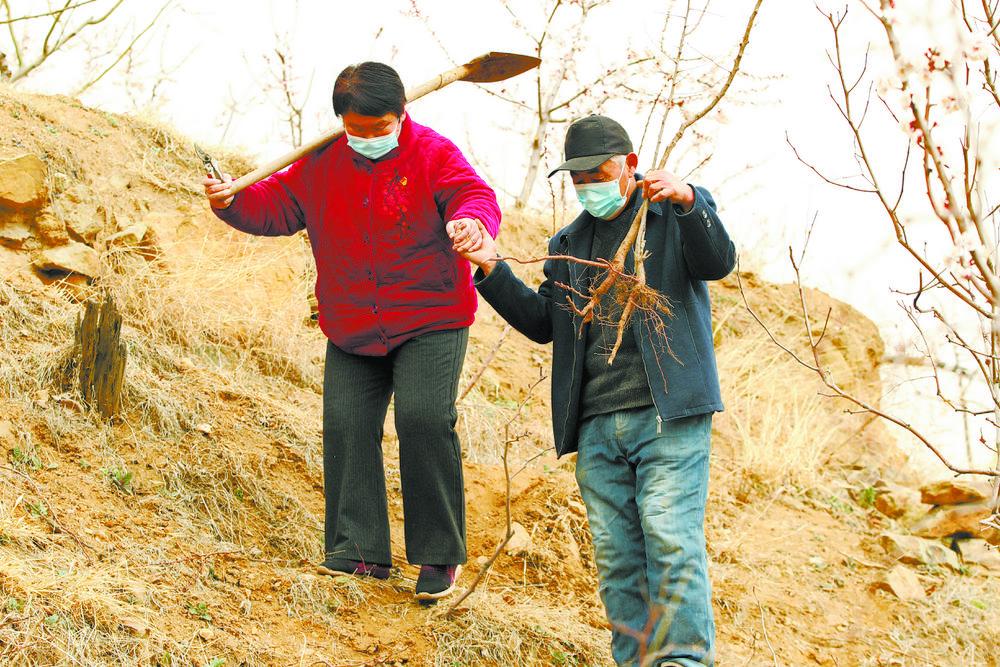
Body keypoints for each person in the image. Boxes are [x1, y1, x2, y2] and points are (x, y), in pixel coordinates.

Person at [203, 61, 500, 602]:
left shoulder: (433, 153)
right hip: (352, 323)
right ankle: (357, 552)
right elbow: (271, 207)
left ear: (400, 115)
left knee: (425, 419)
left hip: (430, 317)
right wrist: (232, 202)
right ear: (341, 120)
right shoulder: (319, 164)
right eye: (356, 130)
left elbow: (472, 195)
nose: (367, 138)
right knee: (344, 425)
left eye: (379, 128)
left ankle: (438, 559)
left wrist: (471, 223)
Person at [451, 115, 734, 665]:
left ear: (630, 165)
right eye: (577, 179)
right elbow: (542, 323)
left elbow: (718, 262)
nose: (587, 187)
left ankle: (681, 660)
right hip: (597, 425)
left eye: (596, 173)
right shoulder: (569, 242)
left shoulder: (671, 215)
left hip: (666, 413)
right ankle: (633, 659)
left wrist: (689, 198)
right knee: (617, 558)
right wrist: (489, 264)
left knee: (671, 542)